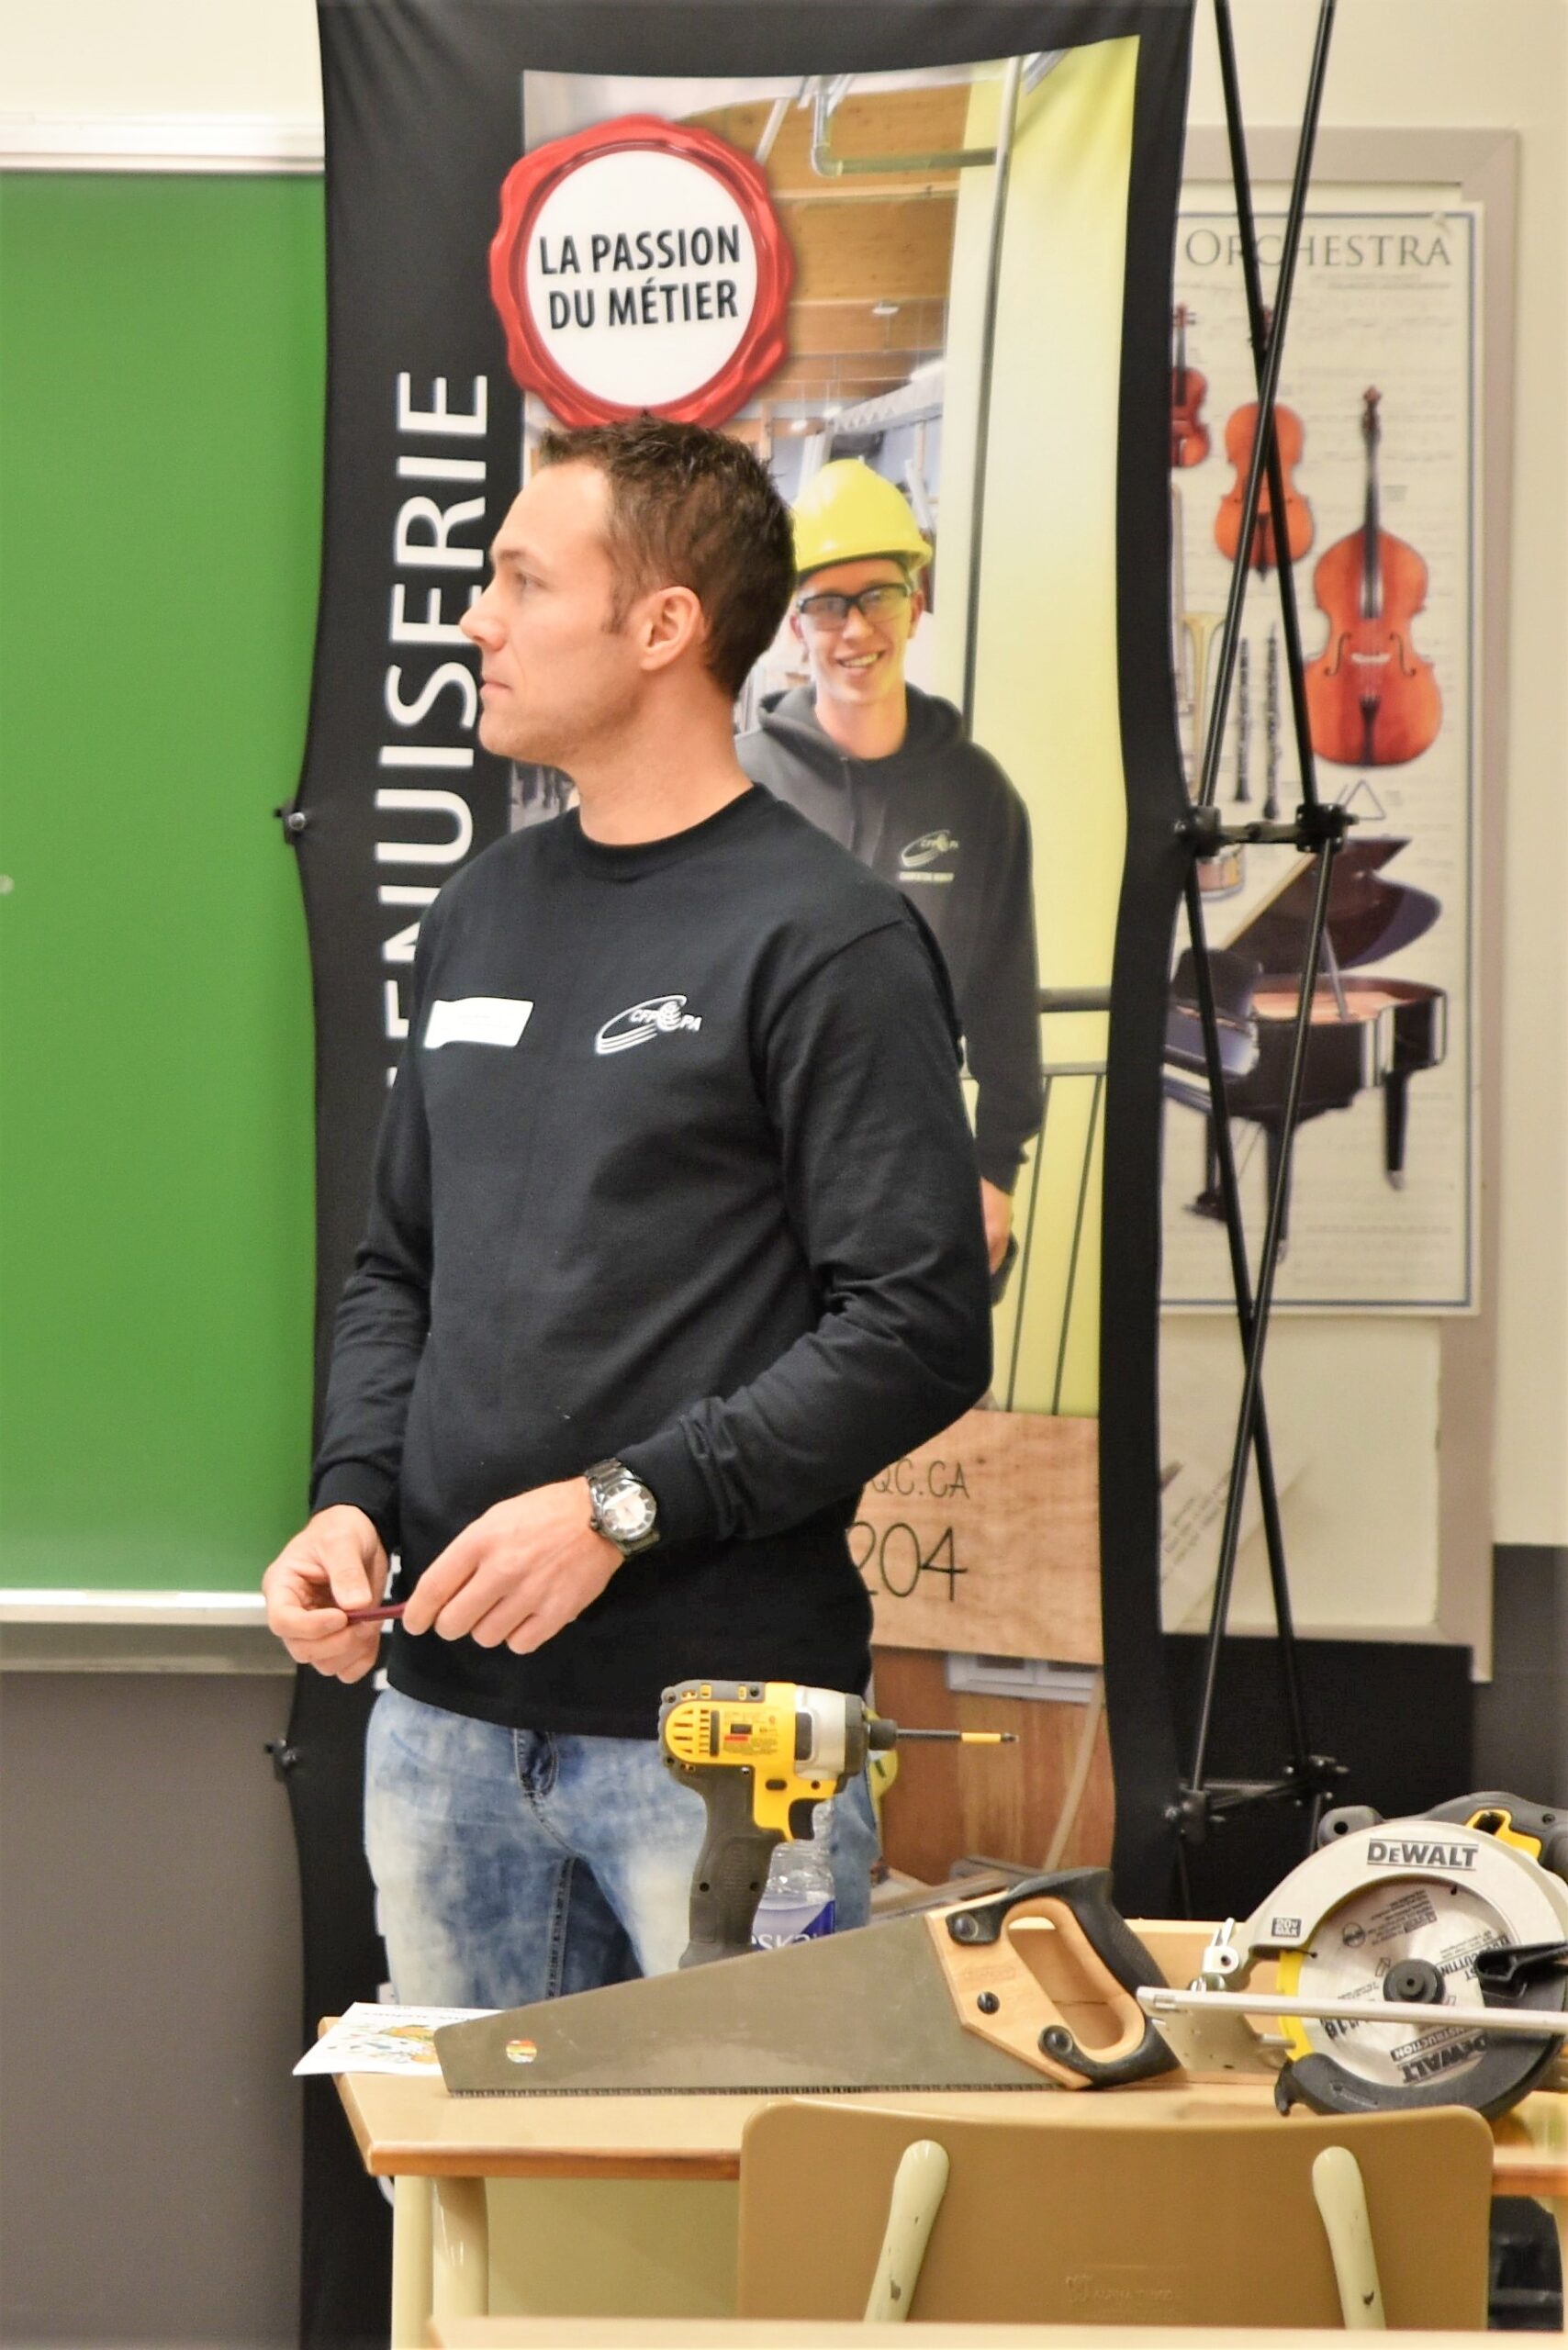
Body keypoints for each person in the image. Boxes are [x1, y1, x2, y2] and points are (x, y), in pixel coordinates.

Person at [262, 418, 993, 2009]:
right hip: (440, 1730)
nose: (478, 618)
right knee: (471, 2177)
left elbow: (919, 1328)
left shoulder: (829, 939)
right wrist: (351, 1501)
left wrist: (617, 1509)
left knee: (755, 2165)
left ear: (662, 626)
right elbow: (400, 1267)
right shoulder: (479, 910)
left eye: (523, 581)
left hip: (728, 1748)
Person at [738, 459, 1044, 1287]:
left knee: (911, 1371)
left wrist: (996, 1171)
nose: (855, 630)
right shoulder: (740, 784)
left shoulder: (978, 795)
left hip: (915, 1168)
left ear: (917, 599)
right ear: (796, 625)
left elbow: (1005, 999)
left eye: (878, 596)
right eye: (827, 604)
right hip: (756, 1174)